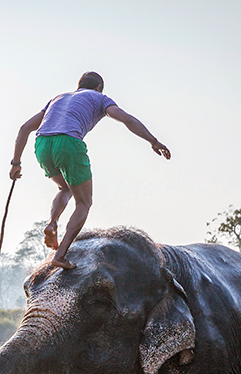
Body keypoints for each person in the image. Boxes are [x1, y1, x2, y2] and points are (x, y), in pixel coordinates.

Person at [10, 71, 171, 269]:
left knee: (65, 188)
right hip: (68, 142)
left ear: (79, 85)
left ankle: (52, 222)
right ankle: (59, 256)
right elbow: (127, 119)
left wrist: (15, 163)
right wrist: (153, 141)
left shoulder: (57, 99)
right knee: (84, 202)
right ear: (99, 87)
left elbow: (25, 128)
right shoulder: (100, 98)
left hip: (42, 144)